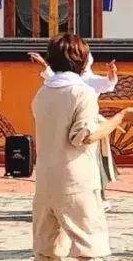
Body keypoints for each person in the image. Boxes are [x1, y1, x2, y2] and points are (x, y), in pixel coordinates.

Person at [16, 33, 133, 261]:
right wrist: (120, 118)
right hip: (75, 180)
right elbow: (83, 137)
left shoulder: (44, 91)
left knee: (49, 246)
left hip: (46, 179)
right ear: (81, 62)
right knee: (90, 248)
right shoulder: (81, 93)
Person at [30, 51, 119, 211]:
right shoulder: (64, 81)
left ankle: (99, 197)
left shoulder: (89, 80)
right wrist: (43, 63)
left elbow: (109, 83)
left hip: (88, 127)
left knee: (94, 164)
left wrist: (112, 71)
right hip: (69, 126)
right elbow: (52, 77)